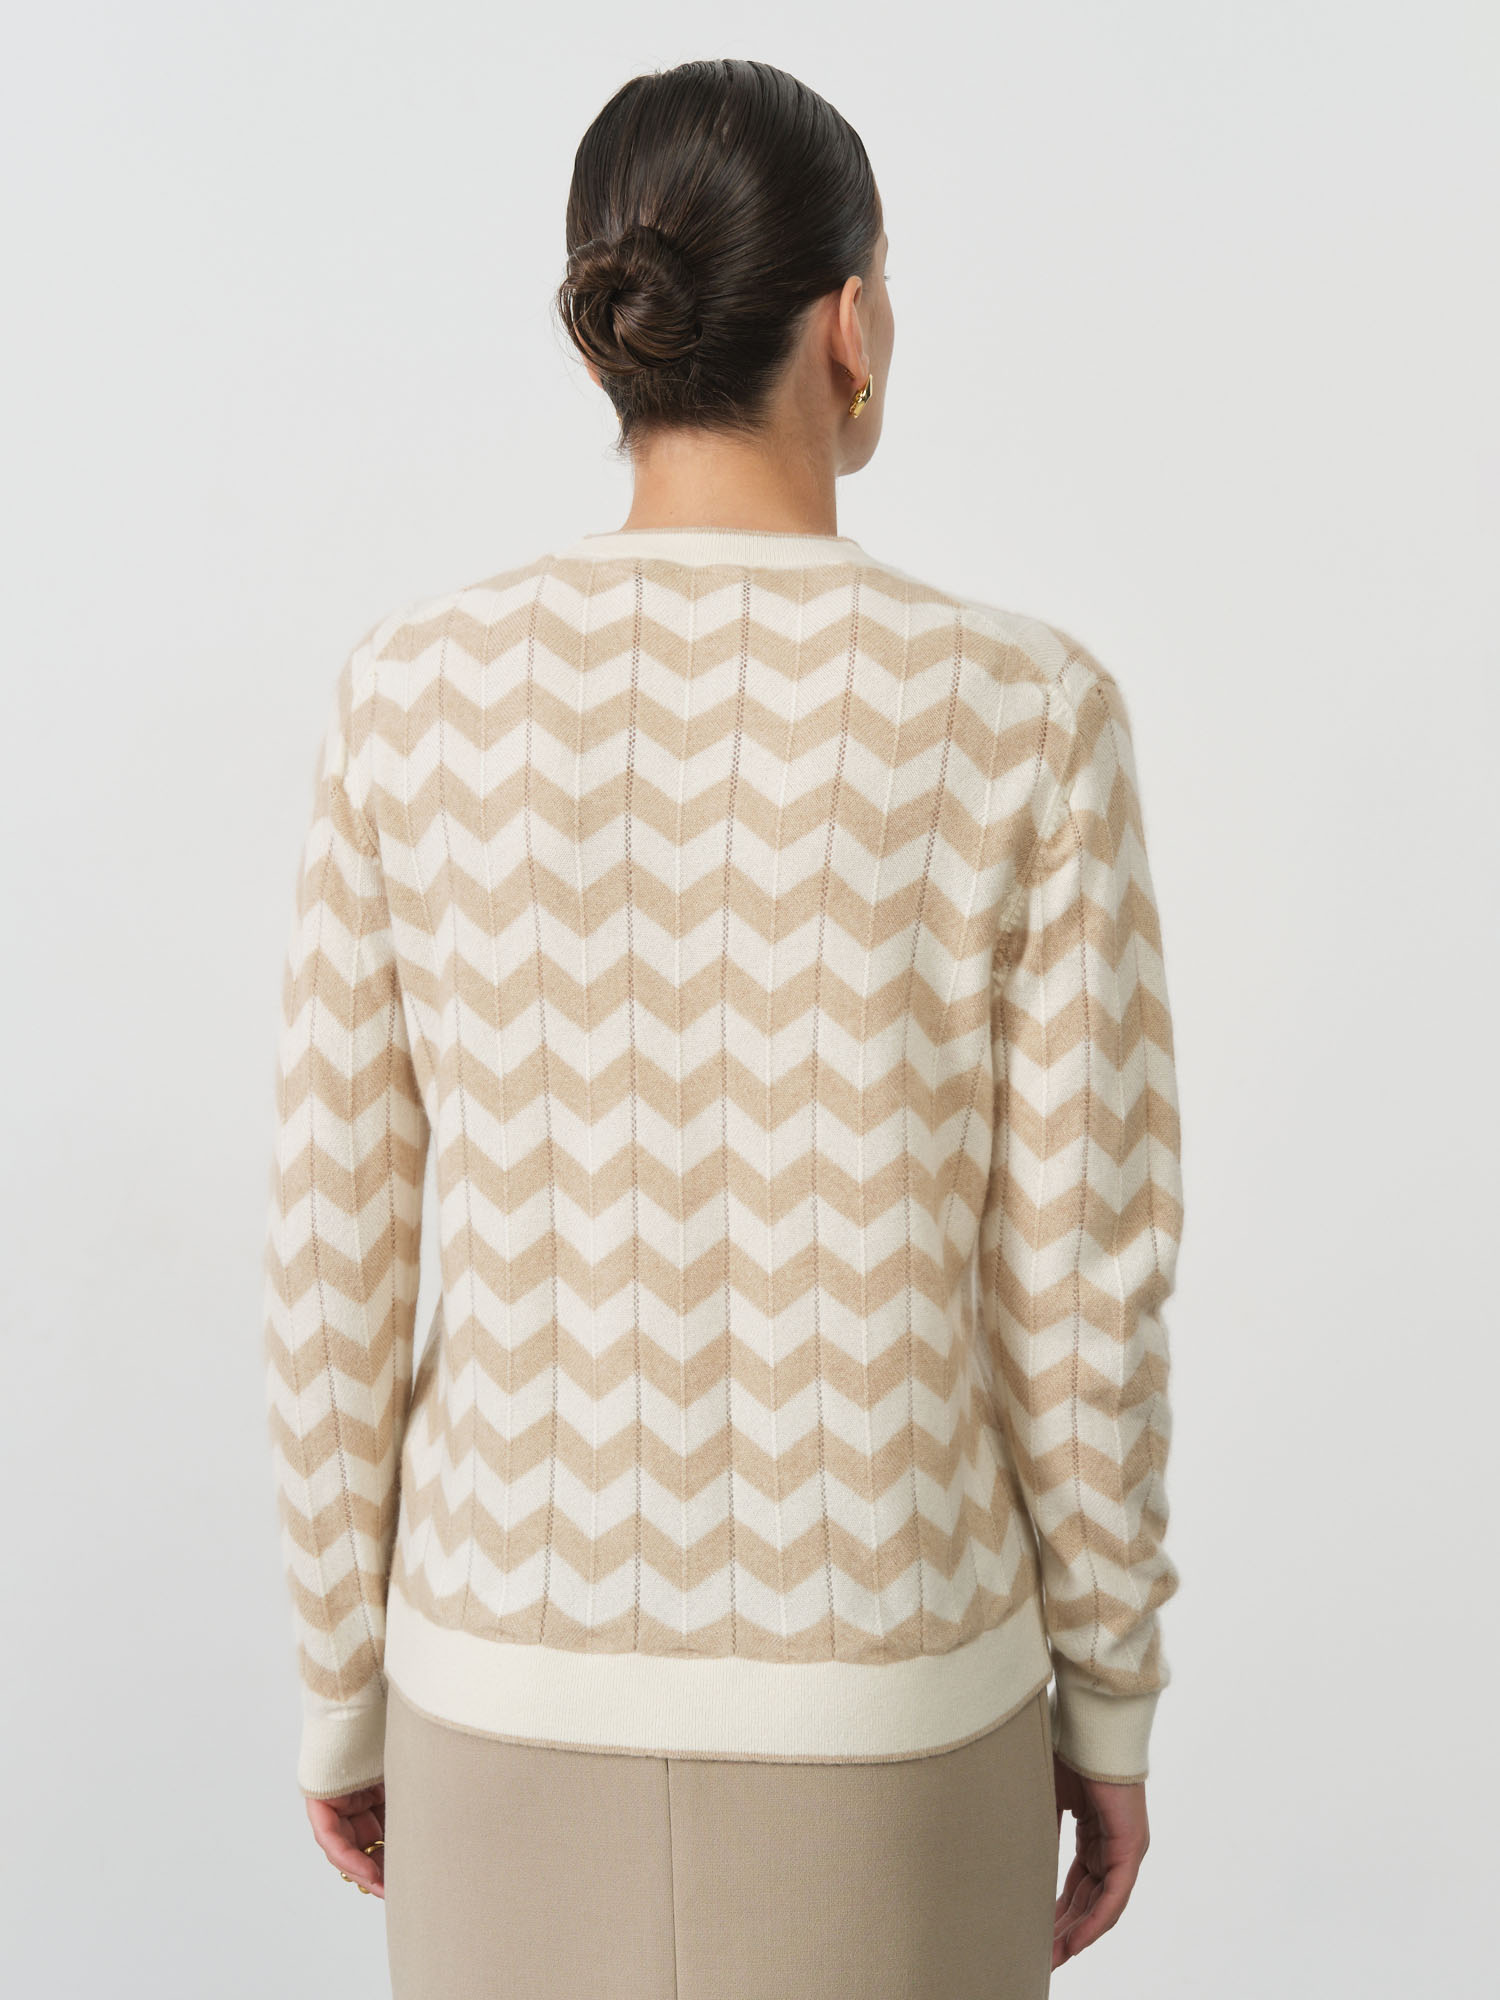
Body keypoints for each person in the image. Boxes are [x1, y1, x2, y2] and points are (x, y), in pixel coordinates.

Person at [260, 55, 1184, 2000]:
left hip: (499, 1701)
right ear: (850, 324)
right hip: (899, 1715)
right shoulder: (1023, 713)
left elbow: (335, 1247)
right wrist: (1107, 1688)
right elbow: (1083, 1281)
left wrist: (345, 1680)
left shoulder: (411, 698)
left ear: (617, 330)